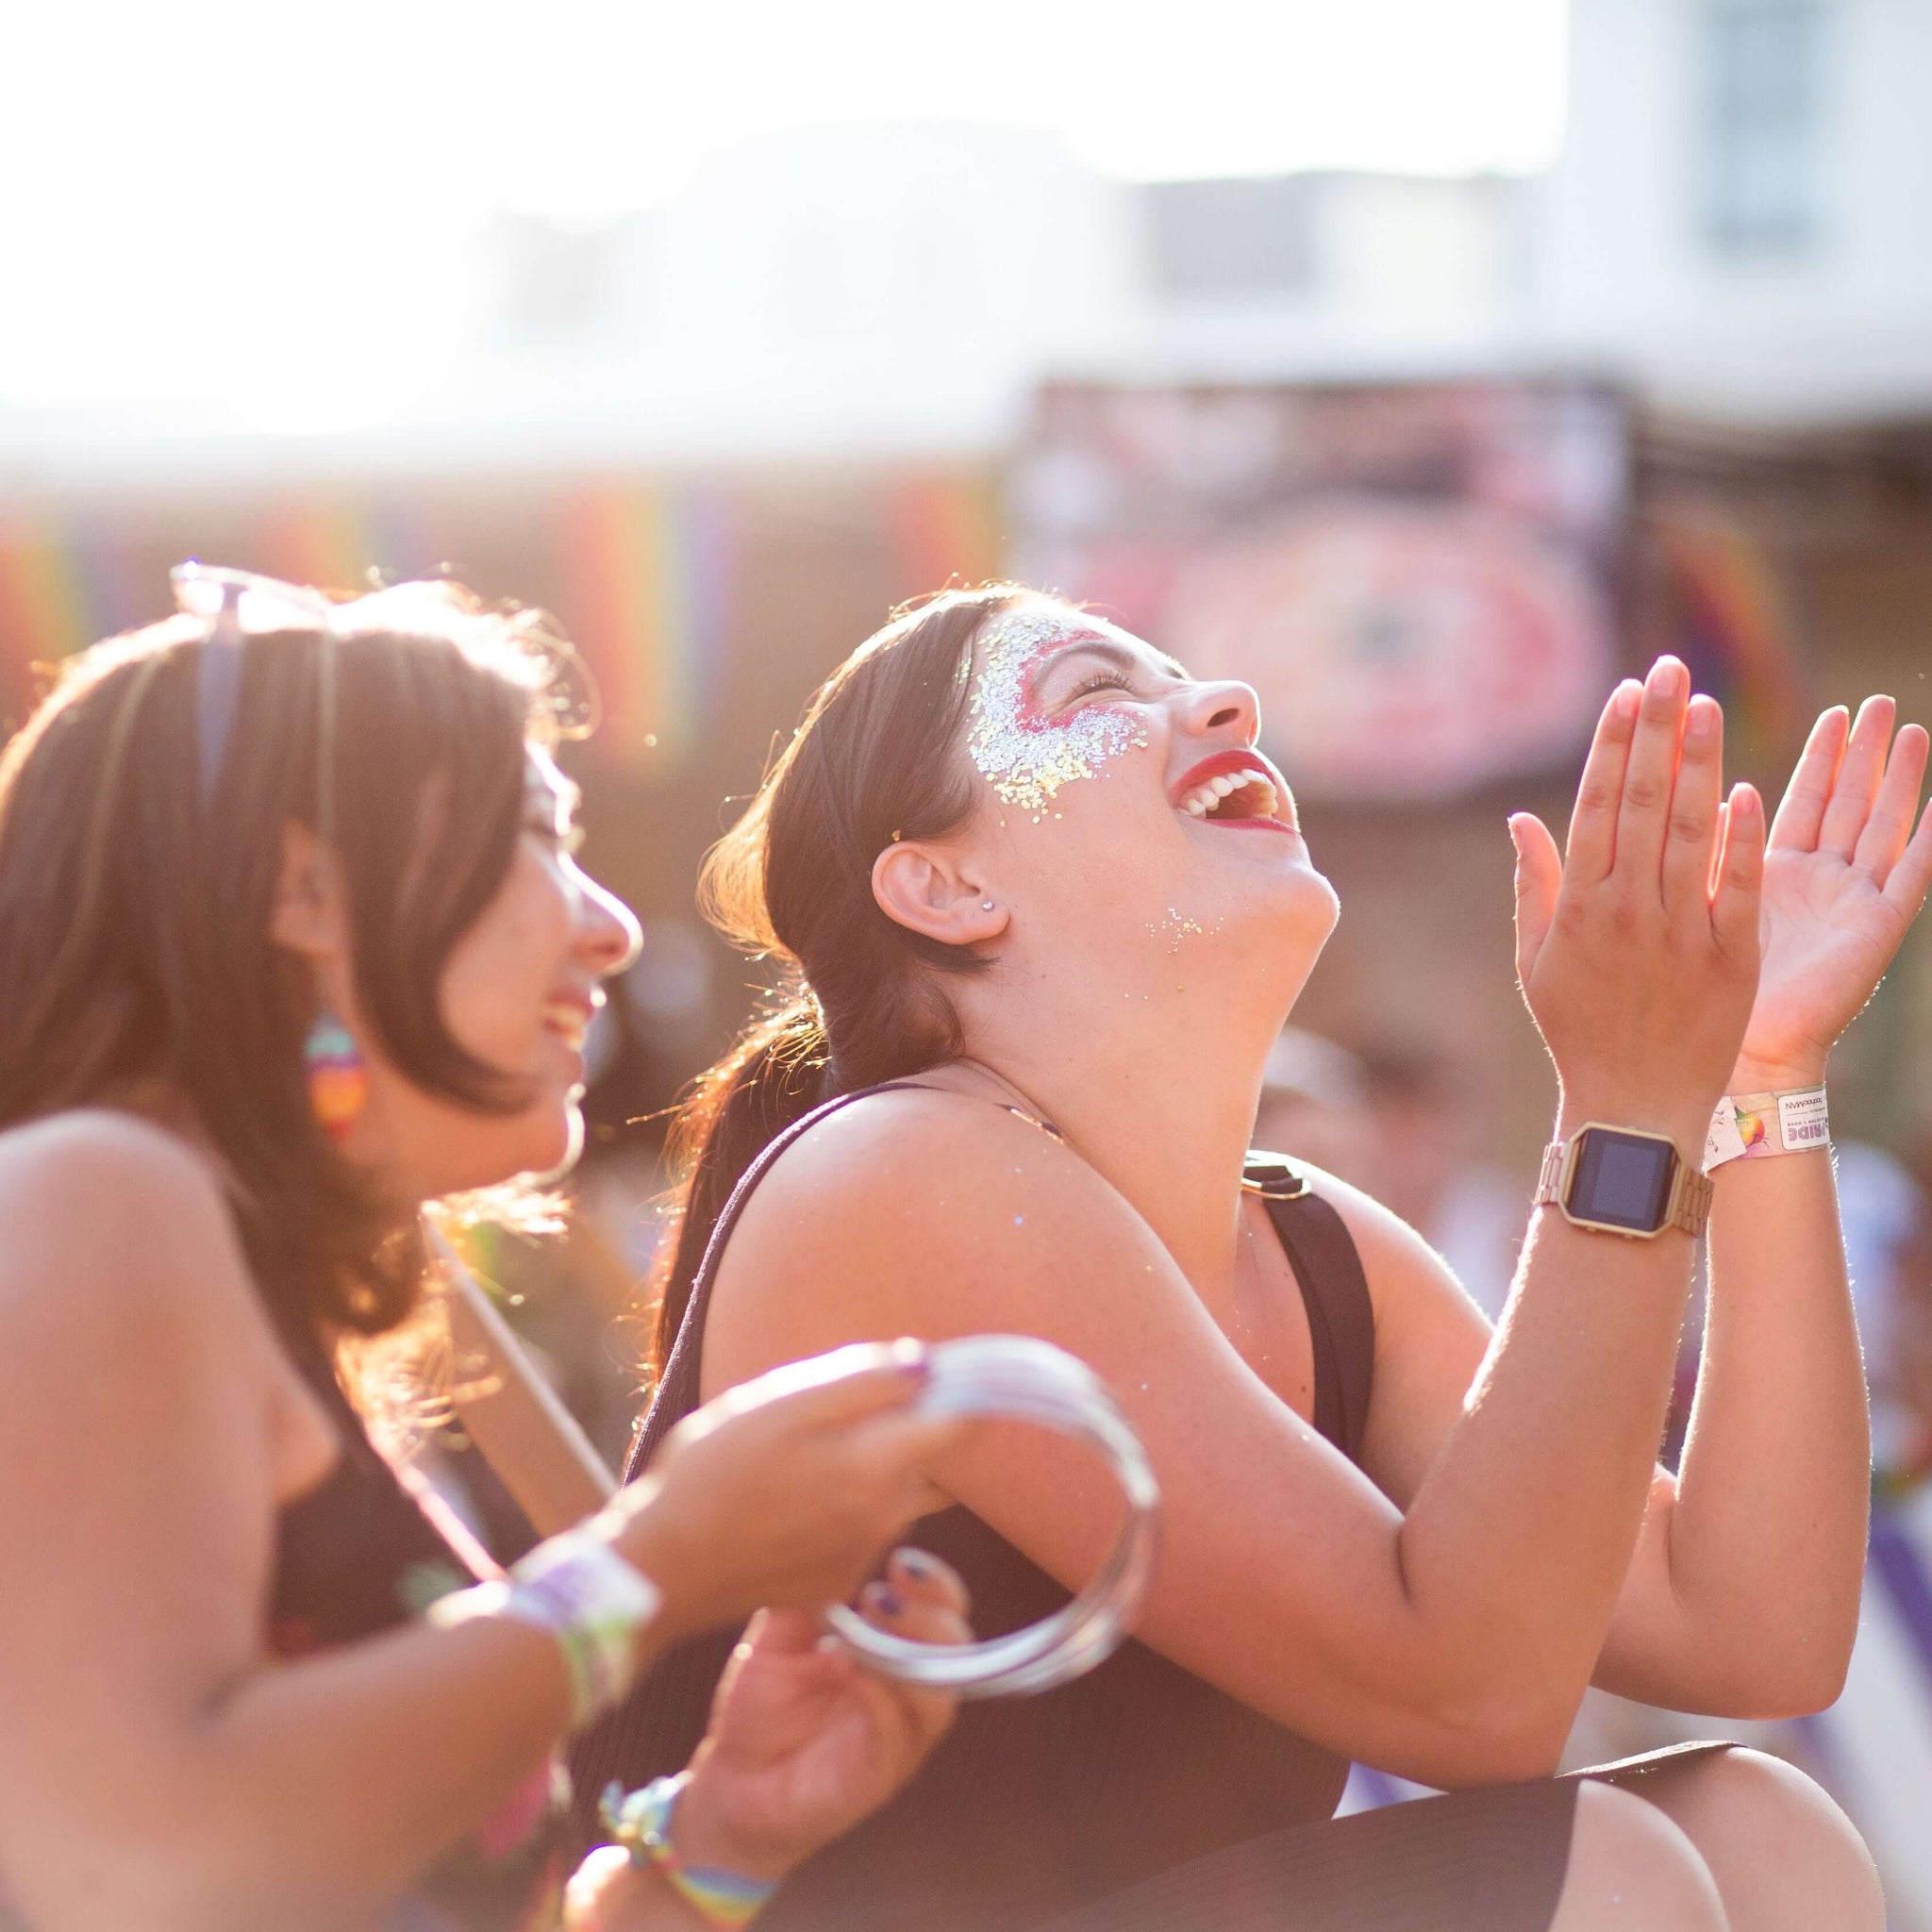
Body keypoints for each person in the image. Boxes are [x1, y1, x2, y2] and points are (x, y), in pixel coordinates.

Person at [579, 585, 1932, 1930]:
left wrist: (1758, 1076)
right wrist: (1624, 1106)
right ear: (945, 887)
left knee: (1763, 1829)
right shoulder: (900, 1171)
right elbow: (1473, 1702)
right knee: (1617, 1872)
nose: (1227, 704)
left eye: (1185, 677)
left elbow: (1757, 1626)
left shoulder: (1320, 1245)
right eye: (1099, 694)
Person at [0, 570, 980, 1932]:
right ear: (302, 887)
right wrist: (654, 1568)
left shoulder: (222, 1270)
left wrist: (713, 1846)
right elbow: (132, 1870)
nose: (613, 926)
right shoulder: (93, 1190)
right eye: (536, 835)